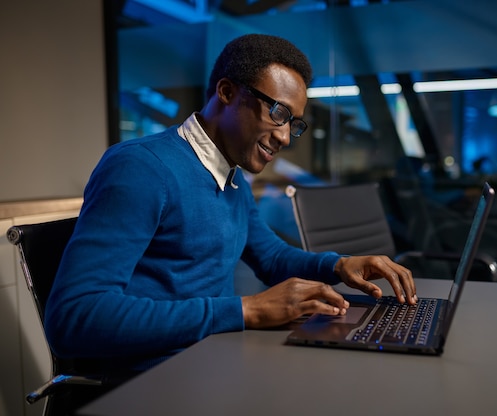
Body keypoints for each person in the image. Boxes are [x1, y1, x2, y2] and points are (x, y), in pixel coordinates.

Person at [44, 34, 416, 379]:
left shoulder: (230, 174)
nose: (286, 136)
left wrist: (338, 265)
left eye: (294, 123)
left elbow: (270, 257)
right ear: (226, 92)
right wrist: (246, 310)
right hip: (159, 380)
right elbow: (74, 318)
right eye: (278, 113)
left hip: (220, 360)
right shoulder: (140, 168)